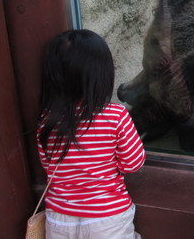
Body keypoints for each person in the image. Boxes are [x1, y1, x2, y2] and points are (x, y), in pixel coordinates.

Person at [37, 29, 146, 238]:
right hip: (107, 217)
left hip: (59, 219)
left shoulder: (46, 121)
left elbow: (49, 167)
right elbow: (133, 163)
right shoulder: (116, 115)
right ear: (102, 74)